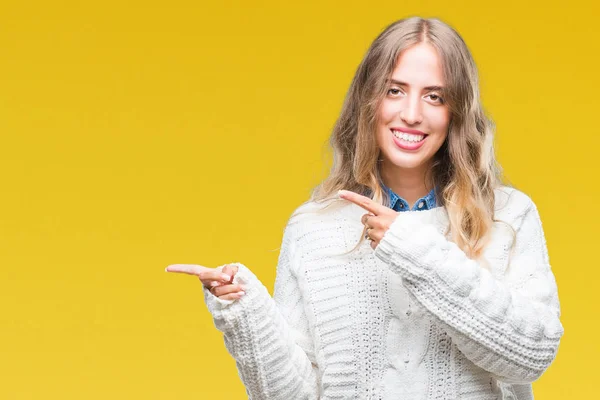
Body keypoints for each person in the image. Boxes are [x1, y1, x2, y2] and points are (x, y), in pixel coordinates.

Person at [166, 16, 564, 399]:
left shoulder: (507, 216)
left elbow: (531, 357)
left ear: (456, 112)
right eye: (394, 90)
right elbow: (295, 396)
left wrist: (413, 251)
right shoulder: (313, 226)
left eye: (434, 96)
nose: (411, 114)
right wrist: (243, 312)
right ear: (368, 100)